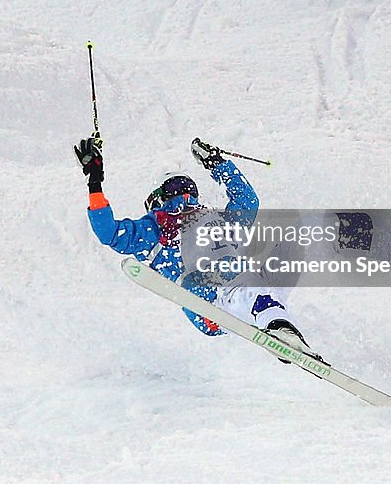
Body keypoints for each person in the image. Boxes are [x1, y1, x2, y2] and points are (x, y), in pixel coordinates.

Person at [73, 135, 316, 355]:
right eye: (175, 190)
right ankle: (277, 325)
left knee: (291, 242)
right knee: (252, 292)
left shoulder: (217, 221)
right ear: (158, 199)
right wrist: (94, 183)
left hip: (244, 289)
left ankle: (280, 325)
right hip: (210, 303)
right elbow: (109, 232)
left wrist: (216, 163)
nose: (185, 197)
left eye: (189, 189)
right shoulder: (154, 230)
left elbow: (247, 200)